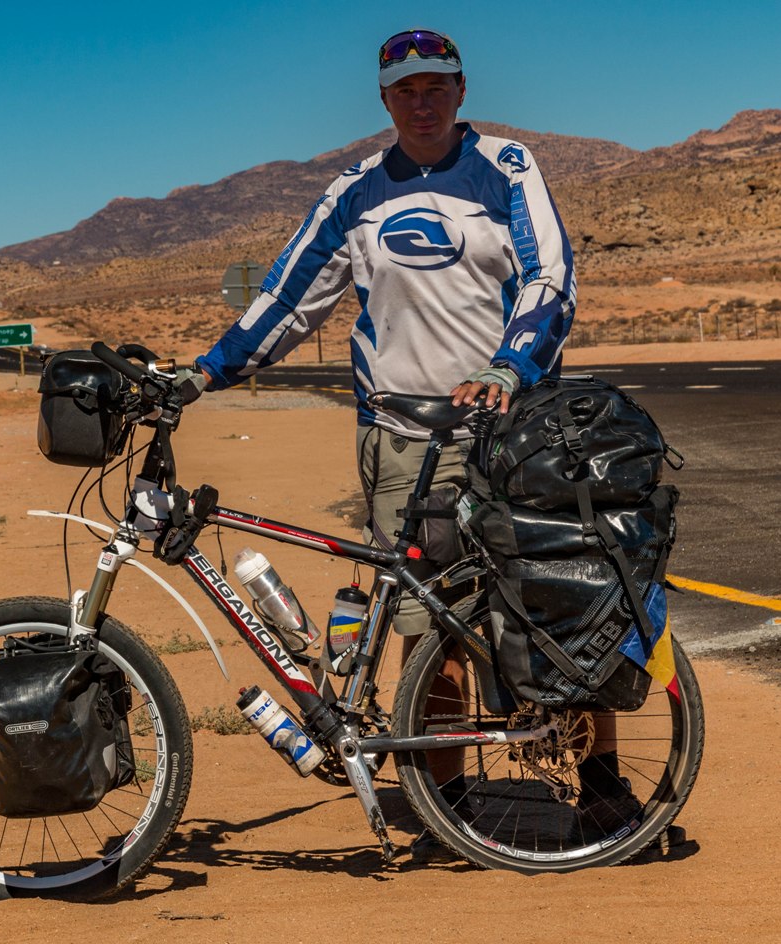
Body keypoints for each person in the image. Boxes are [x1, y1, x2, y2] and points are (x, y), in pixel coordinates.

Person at [177, 28, 630, 847]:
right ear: (384, 101)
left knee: (556, 606)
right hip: (400, 443)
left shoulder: (506, 168)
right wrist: (207, 373)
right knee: (430, 632)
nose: (422, 102)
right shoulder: (353, 193)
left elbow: (551, 279)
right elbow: (289, 299)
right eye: (405, 90)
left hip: (511, 435)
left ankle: (603, 786)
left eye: (436, 86)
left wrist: (509, 365)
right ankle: (446, 806)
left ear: (461, 91)